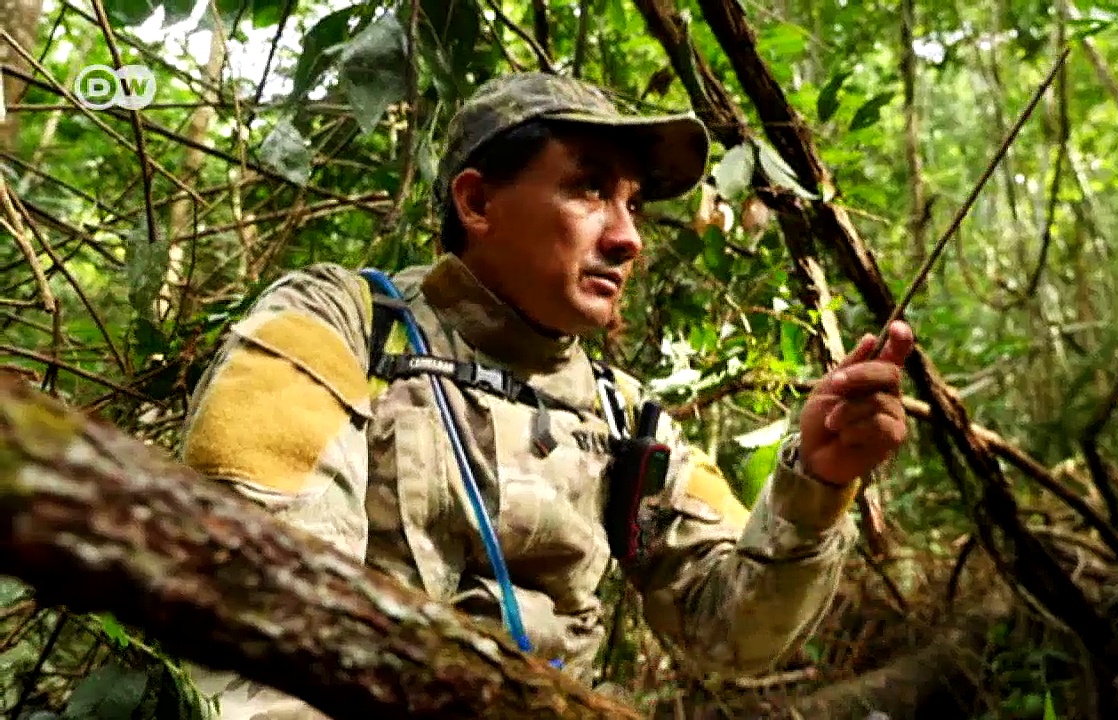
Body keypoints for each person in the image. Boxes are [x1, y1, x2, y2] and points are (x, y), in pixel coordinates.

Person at [177, 72, 915, 718]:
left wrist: (817, 482)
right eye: (589, 189)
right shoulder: (339, 327)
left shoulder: (624, 417)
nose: (628, 237)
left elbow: (732, 632)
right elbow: (260, 601)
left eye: (632, 204)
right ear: (477, 202)